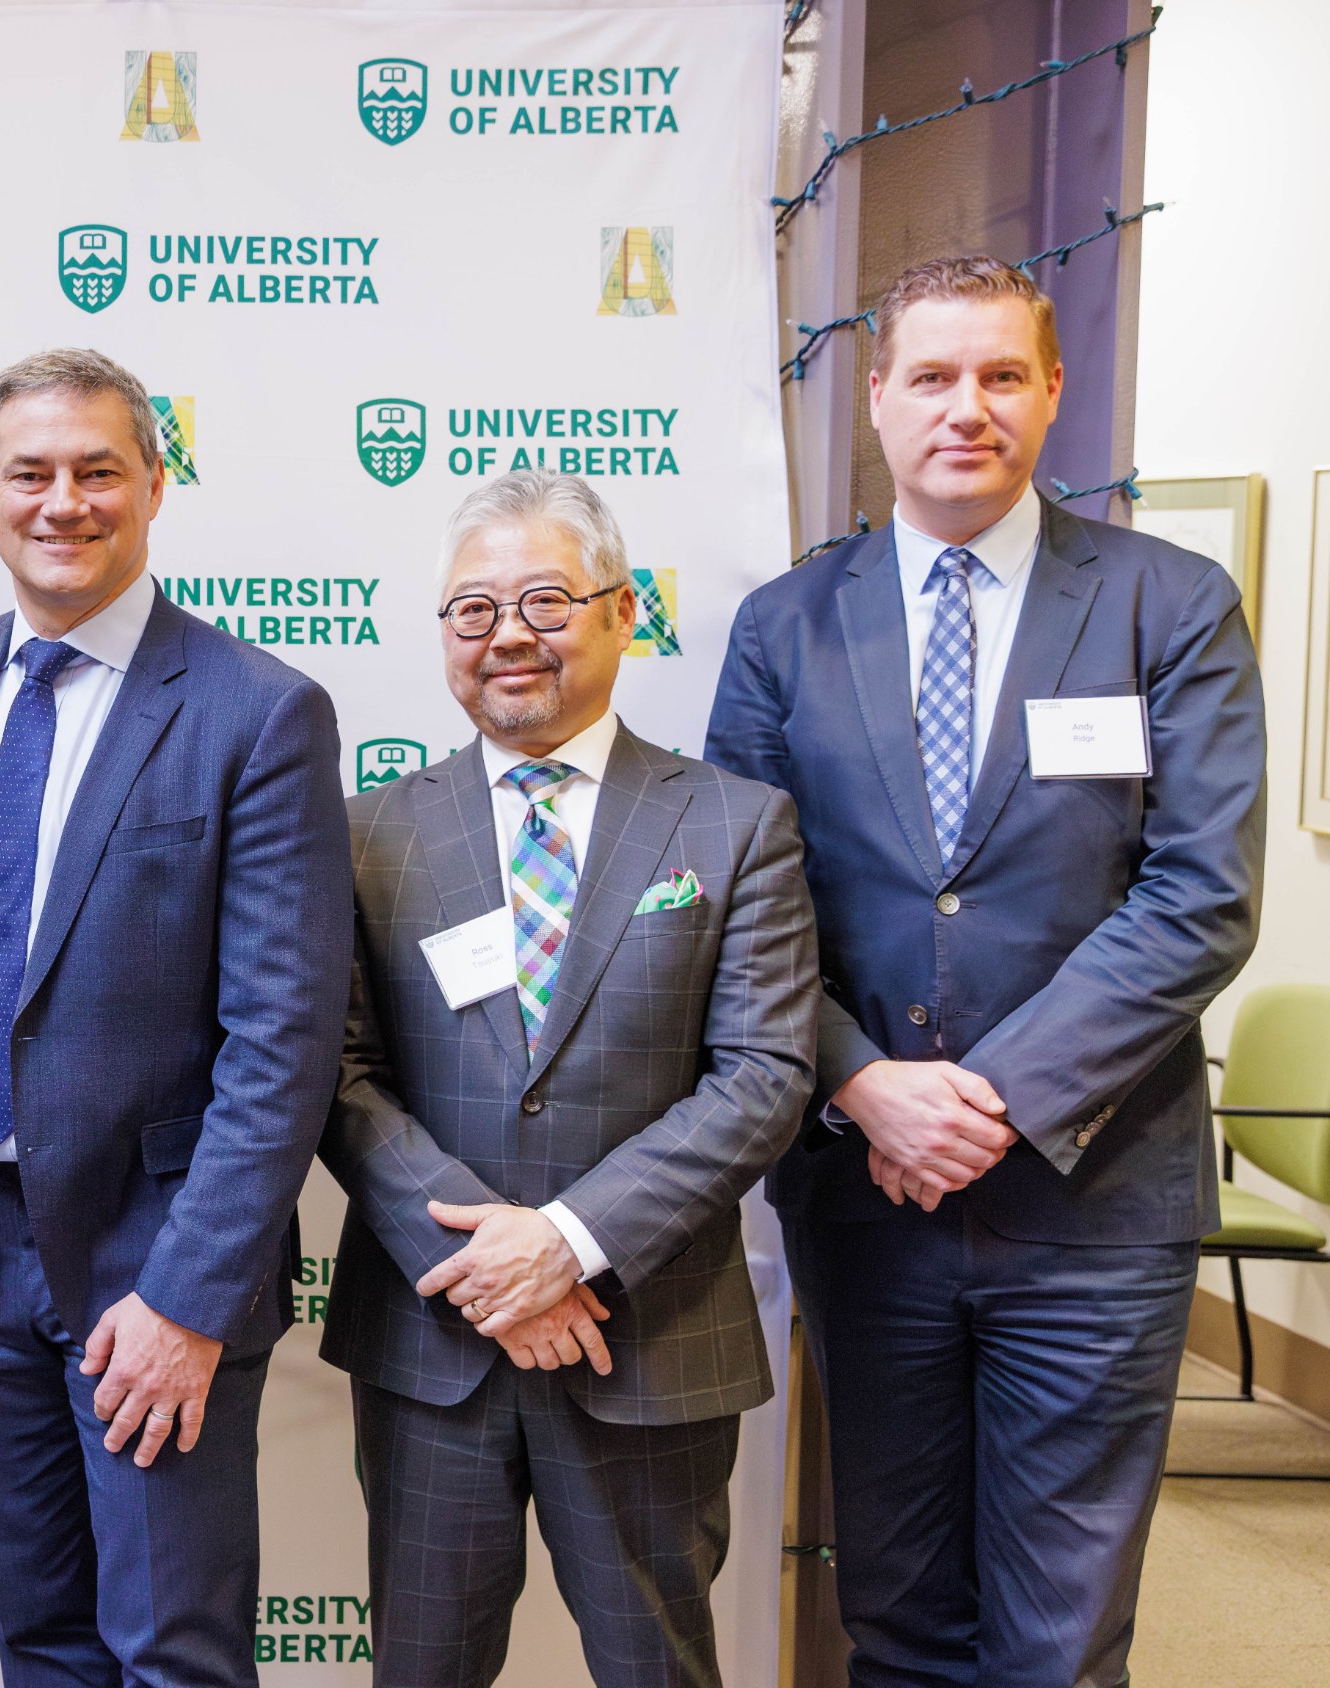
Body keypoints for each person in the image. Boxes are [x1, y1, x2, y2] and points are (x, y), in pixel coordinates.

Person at [704, 255, 1264, 1686]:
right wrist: (869, 1091)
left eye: (1003, 374)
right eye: (934, 377)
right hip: (864, 1197)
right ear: (876, 398)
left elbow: (1202, 894)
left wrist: (991, 1099)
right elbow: (741, 912)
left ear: (1053, 394)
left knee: (1060, 1633)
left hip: (1095, 1204)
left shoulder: (1170, 604)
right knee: (895, 1614)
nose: (969, 407)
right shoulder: (785, 627)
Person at [0, 347, 350, 1686]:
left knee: (171, 1654)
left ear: (154, 486)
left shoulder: (259, 713)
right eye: (31, 472)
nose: (63, 501)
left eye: (98, 471)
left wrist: (185, 1297)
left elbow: (283, 1043)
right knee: (48, 1645)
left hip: (156, 1261)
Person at [322, 471, 815, 1688]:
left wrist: (569, 1240)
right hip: (437, 1339)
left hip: (649, 1338)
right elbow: (333, 1072)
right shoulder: (363, 831)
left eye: (546, 599)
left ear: (623, 610)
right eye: (473, 609)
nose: (510, 635)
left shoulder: (735, 824)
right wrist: (496, 1266)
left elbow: (764, 1071)